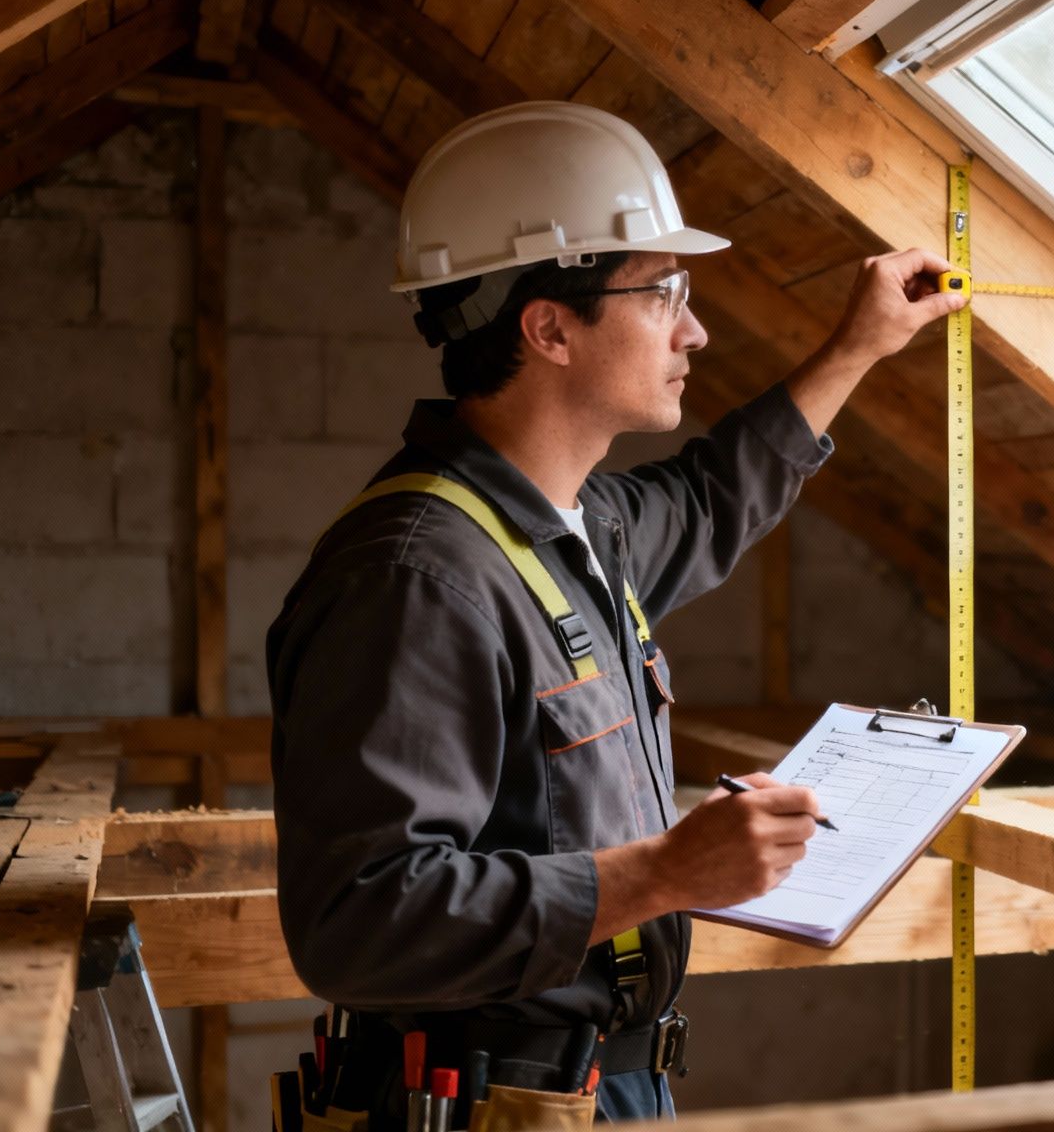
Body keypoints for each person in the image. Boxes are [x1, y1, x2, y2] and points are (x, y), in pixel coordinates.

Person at [266, 101, 964, 1126]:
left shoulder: (574, 527)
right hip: (478, 1098)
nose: (695, 329)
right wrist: (664, 872)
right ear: (548, 325)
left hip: (595, 1084)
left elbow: (714, 497)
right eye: (662, 293)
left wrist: (856, 347)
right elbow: (360, 922)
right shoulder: (416, 579)